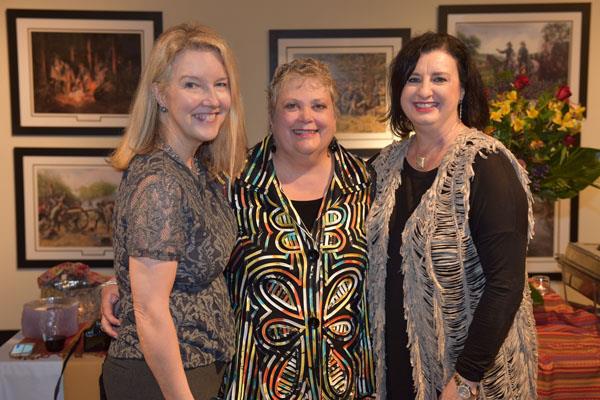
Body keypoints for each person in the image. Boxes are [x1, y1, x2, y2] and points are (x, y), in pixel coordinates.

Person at [366, 32, 537, 399]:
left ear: (461, 91)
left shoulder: (487, 165)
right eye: (413, 79)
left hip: (470, 377)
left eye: (439, 78)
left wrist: (465, 379)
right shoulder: (384, 165)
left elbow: (505, 285)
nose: (424, 90)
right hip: (397, 368)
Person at [100, 22, 247, 400]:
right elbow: (150, 312)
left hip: (191, 370)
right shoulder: (161, 182)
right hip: (159, 380)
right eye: (192, 84)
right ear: (160, 94)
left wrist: (116, 282)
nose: (211, 98)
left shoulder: (199, 168)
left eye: (220, 83)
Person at [221, 58, 375, 399]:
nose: (306, 117)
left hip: (346, 386)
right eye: (292, 106)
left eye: (318, 105)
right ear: (273, 117)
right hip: (254, 385)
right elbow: (191, 259)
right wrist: (122, 282)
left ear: (334, 115)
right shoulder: (234, 183)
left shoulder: (367, 183)